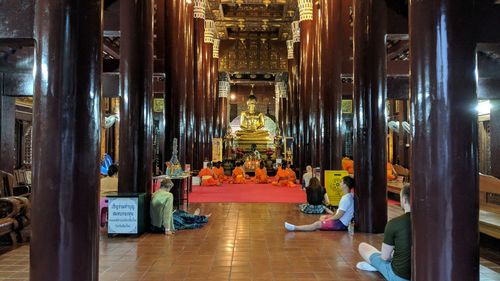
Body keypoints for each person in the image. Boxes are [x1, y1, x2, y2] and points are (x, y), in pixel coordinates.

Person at [356, 184, 411, 281]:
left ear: (404, 200)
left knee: (363, 246)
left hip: (399, 277)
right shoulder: (431, 223)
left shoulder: (394, 223)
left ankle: (377, 267)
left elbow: (385, 258)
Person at [284, 176, 355, 231]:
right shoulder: (349, 195)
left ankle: (295, 228)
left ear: (345, 185)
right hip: (340, 221)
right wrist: (328, 217)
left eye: (341, 182)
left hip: (340, 224)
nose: (340, 183)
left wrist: (327, 220)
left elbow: (339, 216)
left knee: (316, 224)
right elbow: (337, 211)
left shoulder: (346, 198)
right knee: (323, 217)